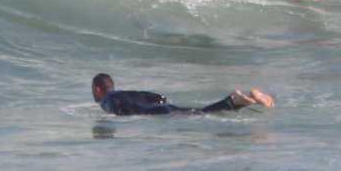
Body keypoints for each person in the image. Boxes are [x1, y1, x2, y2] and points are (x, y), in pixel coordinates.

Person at [91, 73, 275, 116]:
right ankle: (250, 99)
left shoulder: (107, 100)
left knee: (203, 113)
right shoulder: (129, 92)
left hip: (159, 113)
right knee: (200, 111)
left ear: (98, 89)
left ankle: (234, 99)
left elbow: (119, 113)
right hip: (163, 108)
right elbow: (159, 97)